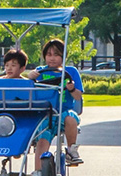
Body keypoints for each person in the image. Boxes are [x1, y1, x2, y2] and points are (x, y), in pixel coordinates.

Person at [29, 38, 84, 168]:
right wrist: (30, 78)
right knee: (42, 141)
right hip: (44, 114)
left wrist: (72, 89)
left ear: (63, 56)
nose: (52, 58)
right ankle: (38, 174)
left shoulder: (71, 71)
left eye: (56, 55)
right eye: (49, 55)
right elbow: (28, 91)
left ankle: (71, 150)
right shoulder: (40, 72)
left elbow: (78, 96)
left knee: (71, 118)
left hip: (63, 112)